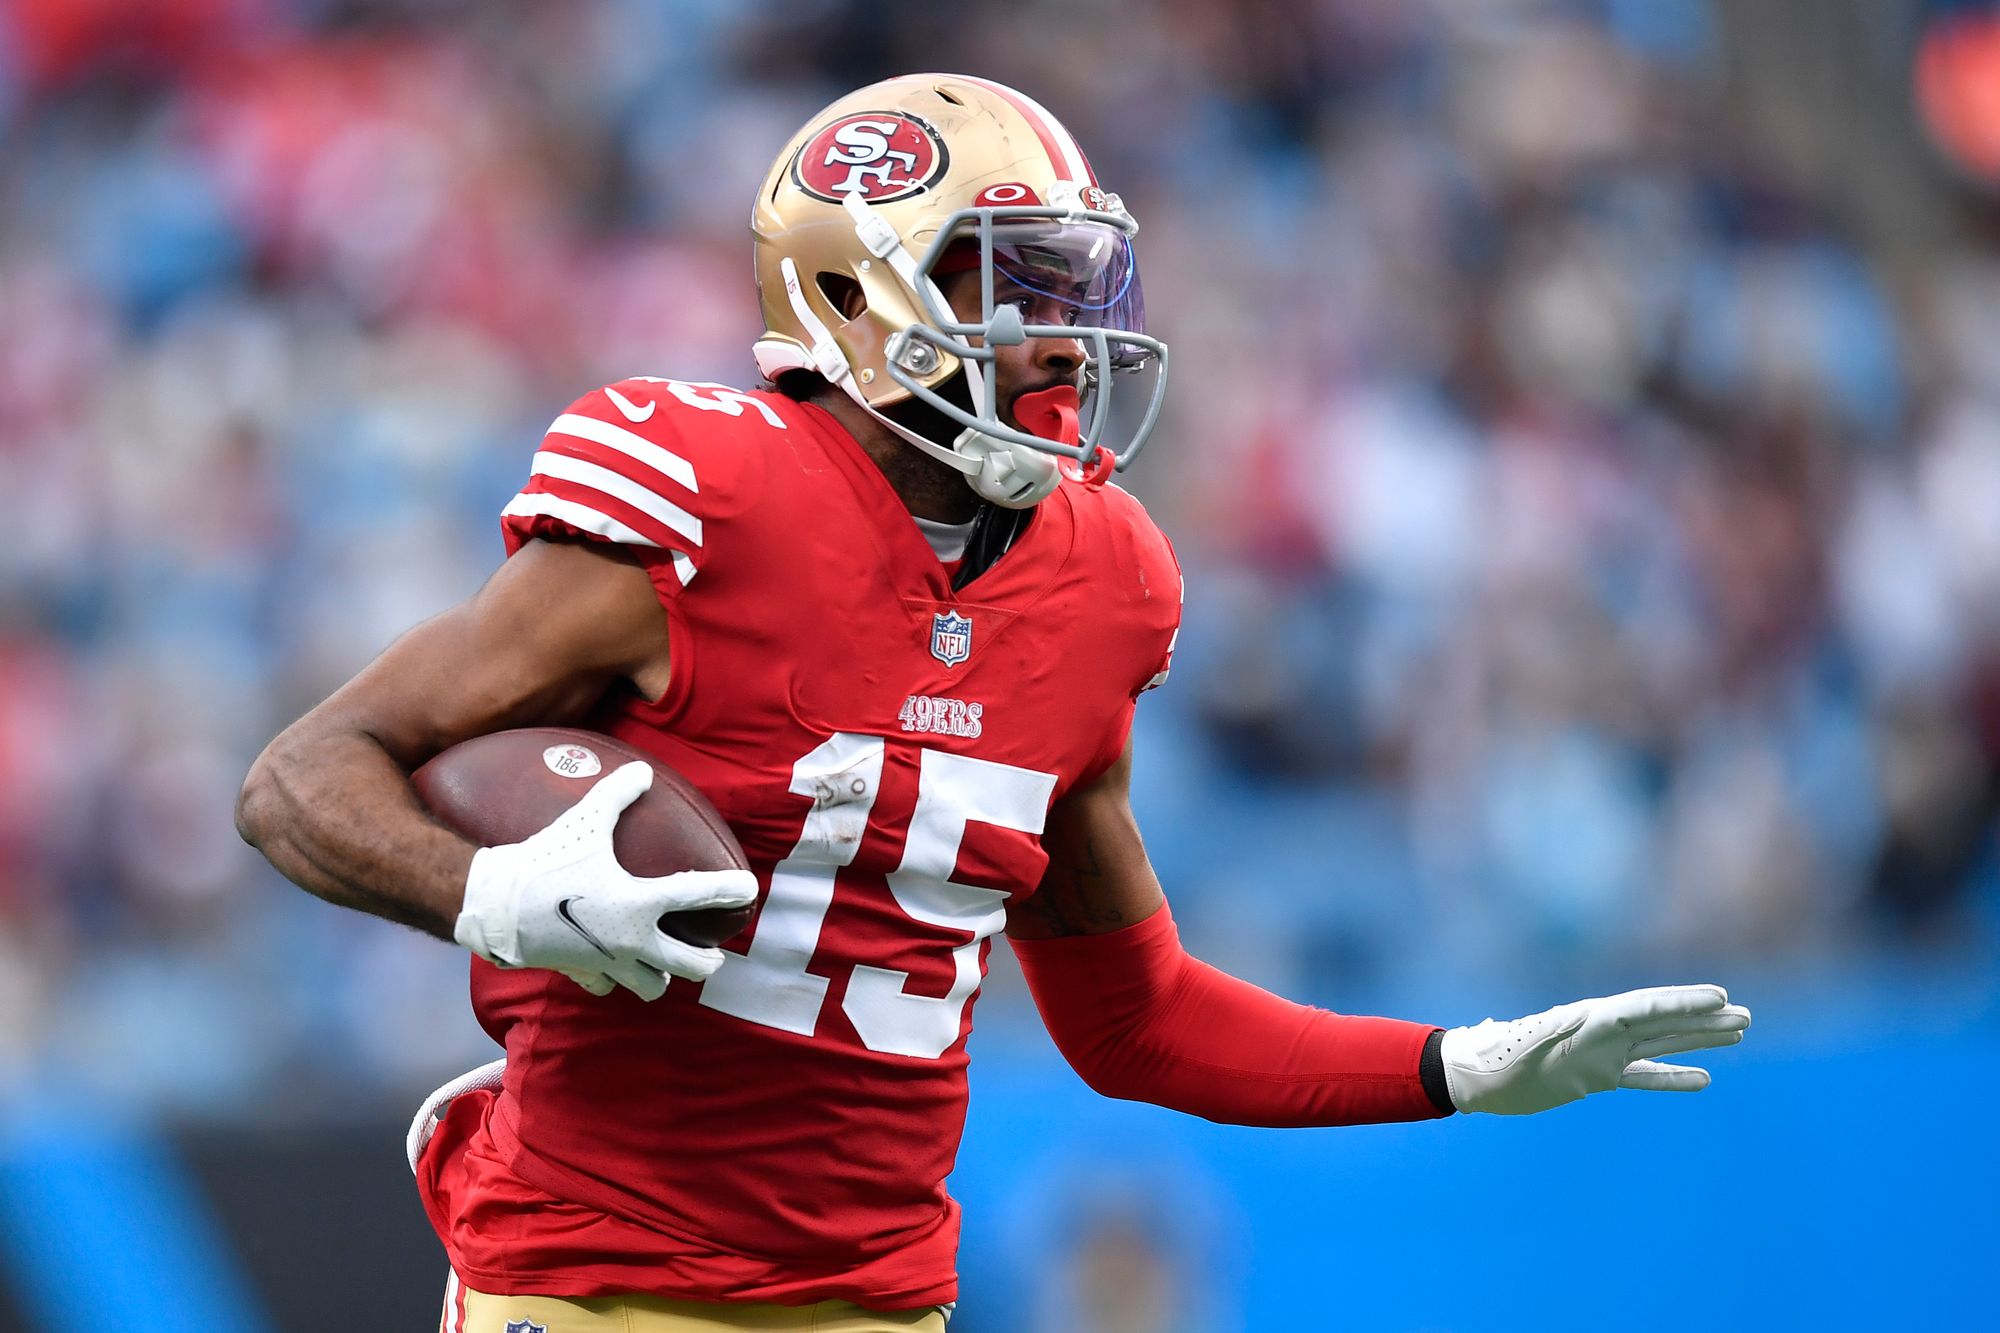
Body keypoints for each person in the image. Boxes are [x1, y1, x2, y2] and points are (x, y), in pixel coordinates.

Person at [236, 73, 1751, 1333]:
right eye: (1015, 288)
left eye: (1075, 288)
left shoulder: (1103, 582)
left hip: (886, 1305)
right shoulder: (704, 500)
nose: (1063, 339)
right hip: (593, 1285)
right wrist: (493, 893)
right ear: (853, 294)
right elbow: (304, 775)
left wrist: (1451, 1067)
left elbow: (1136, 1020)